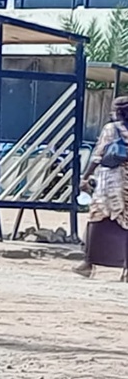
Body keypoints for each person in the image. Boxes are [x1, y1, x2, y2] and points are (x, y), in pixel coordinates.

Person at [74, 96, 128, 280]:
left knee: (97, 218)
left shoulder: (111, 129)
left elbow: (98, 155)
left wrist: (85, 177)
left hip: (111, 181)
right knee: (126, 223)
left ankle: (88, 263)